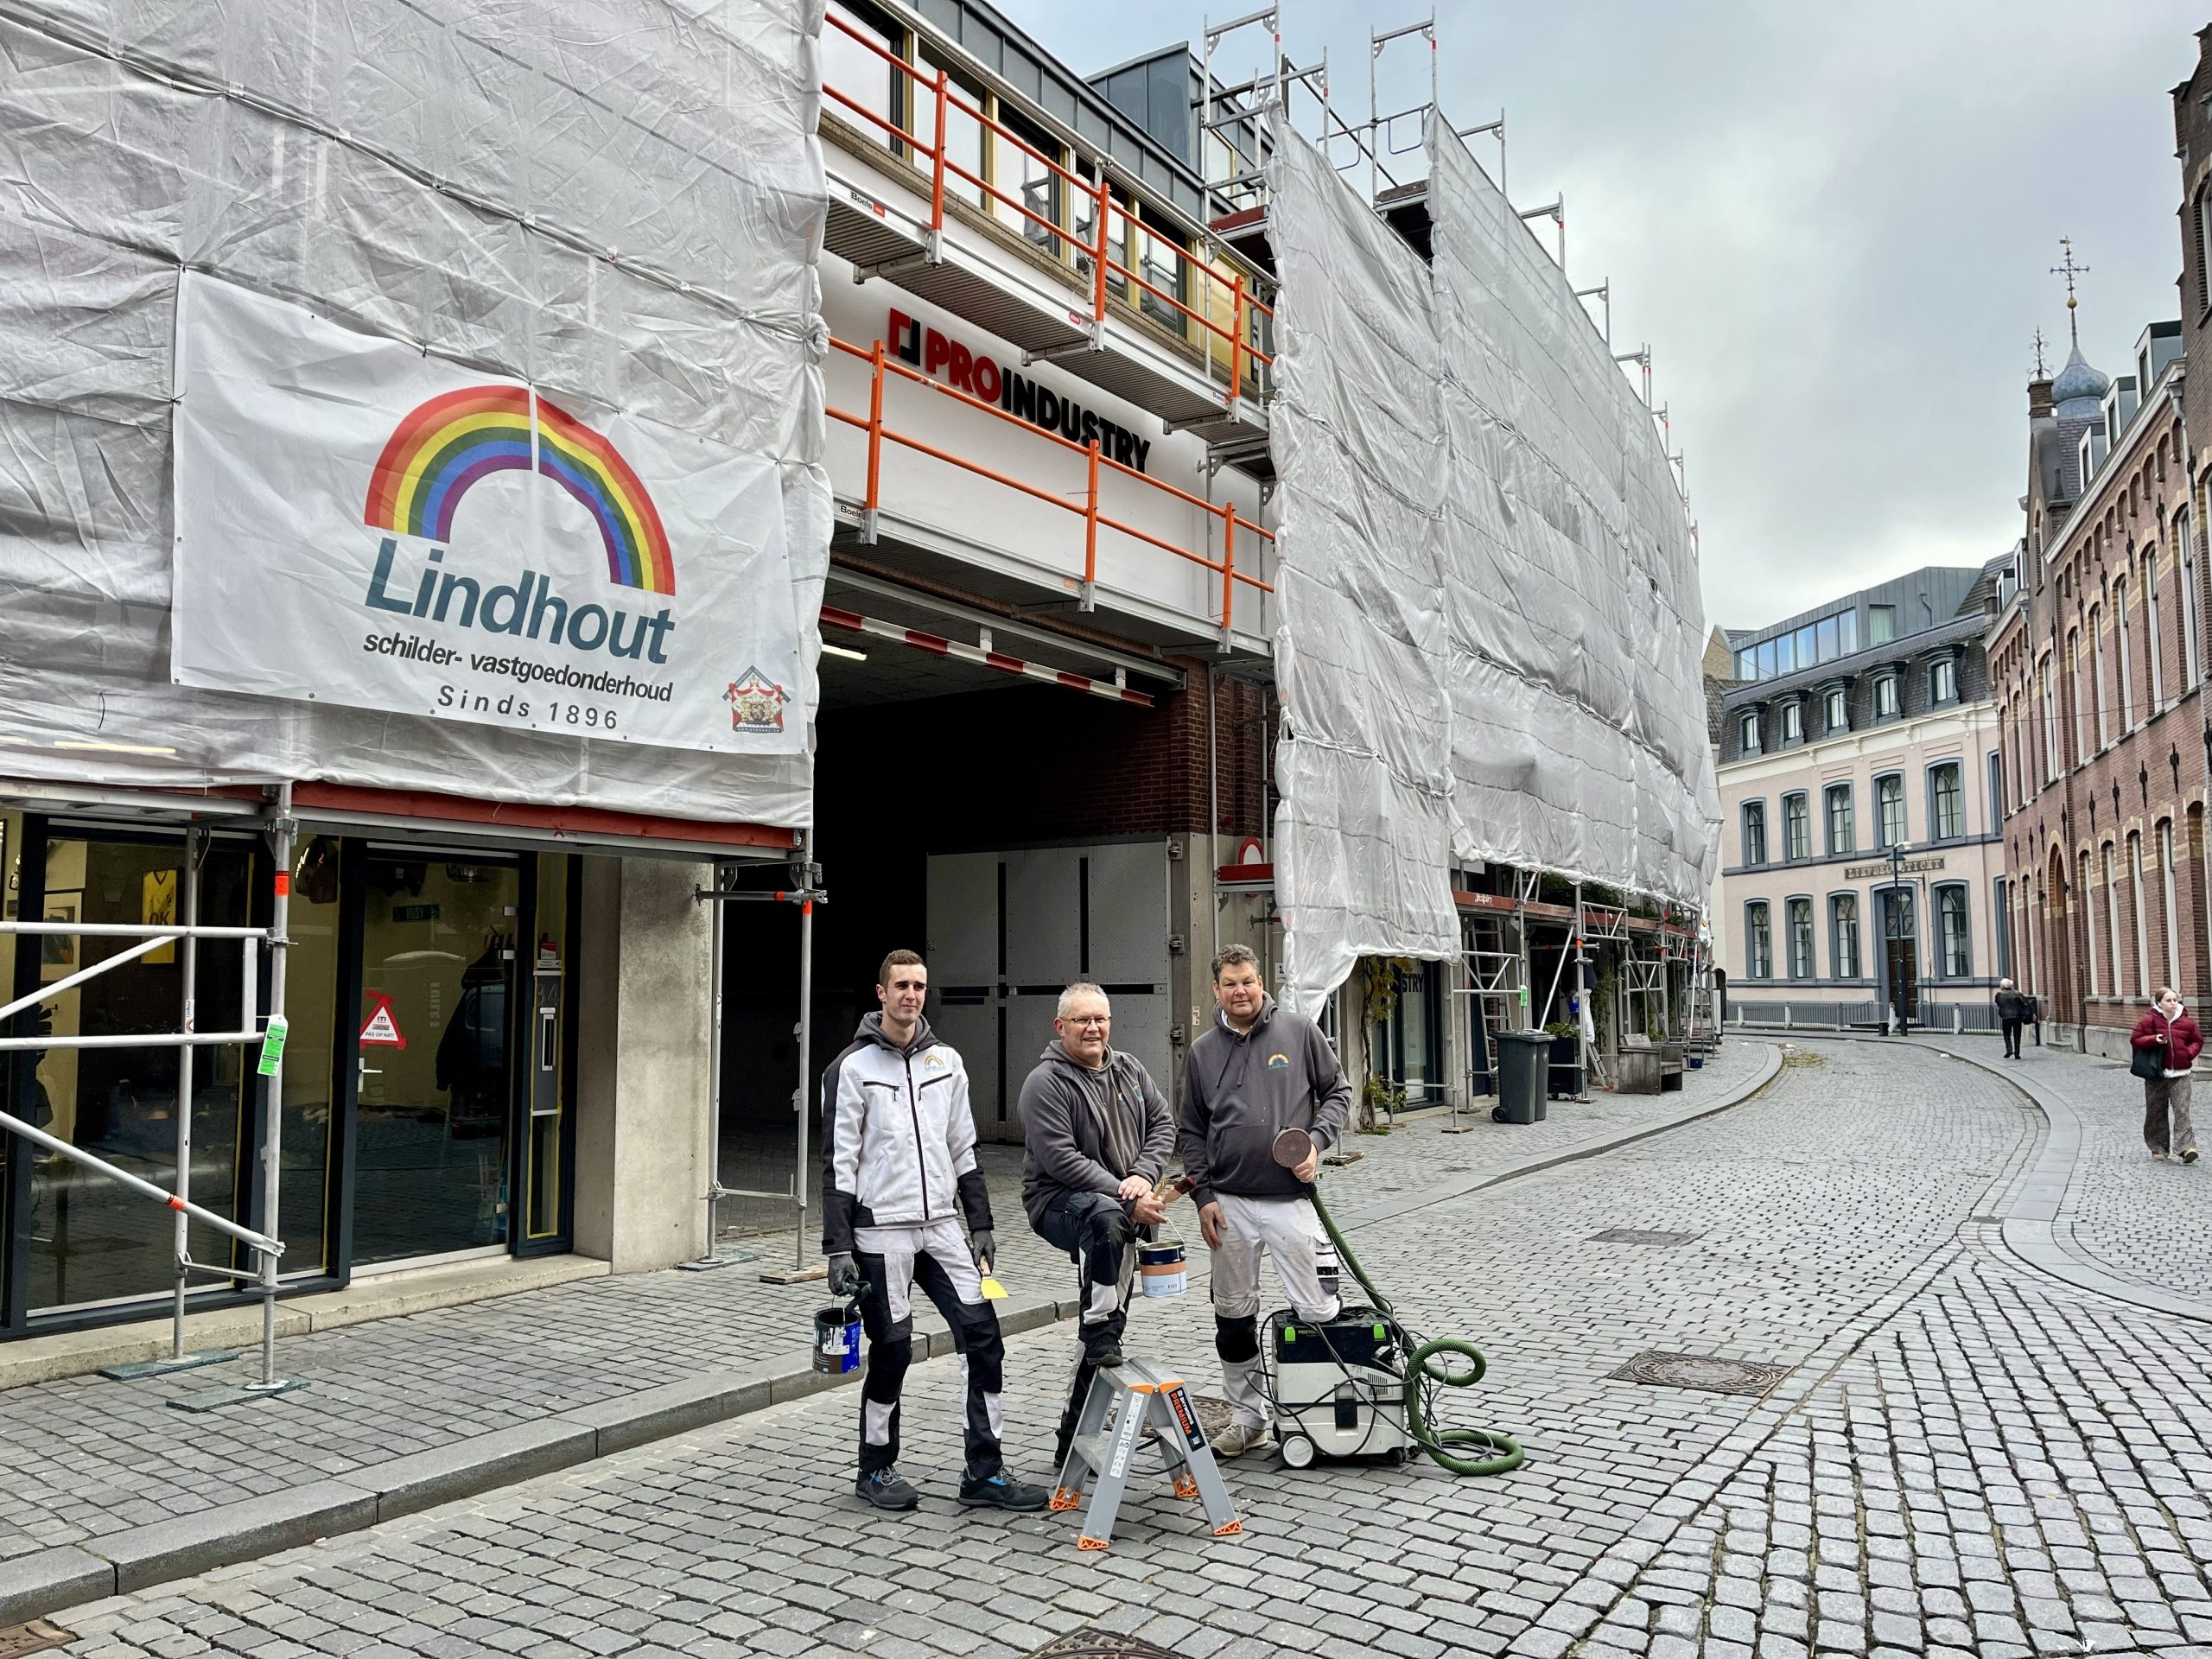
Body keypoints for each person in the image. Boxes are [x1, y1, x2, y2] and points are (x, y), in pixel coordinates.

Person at [820, 949, 1049, 1513]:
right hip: (881, 1233)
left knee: (985, 1340)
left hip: (943, 1227)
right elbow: (839, 1162)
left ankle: (985, 1474)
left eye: (919, 986)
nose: (911, 995)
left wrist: (982, 1223)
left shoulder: (946, 1061)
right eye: (900, 985)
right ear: (881, 993)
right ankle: (874, 1469)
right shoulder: (852, 1068)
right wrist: (838, 1246)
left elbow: (963, 1147)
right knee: (892, 1352)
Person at [1179, 944, 1351, 1459]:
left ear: (1262, 983)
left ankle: (1319, 1410)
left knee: (1317, 1308)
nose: (1240, 991)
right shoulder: (1202, 1051)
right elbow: (1190, 1129)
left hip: (1289, 1201)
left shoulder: (1298, 1032)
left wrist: (1317, 1143)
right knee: (1232, 1316)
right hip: (1228, 1204)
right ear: (1216, 990)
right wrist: (1203, 1196)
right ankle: (1247, 1417)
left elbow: (1338, 1093)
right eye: (1230, 983)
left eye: (1248, 981)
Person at [1018, 982, 1176, 1465]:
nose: (1093, 1028)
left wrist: (1141, 1178)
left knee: (1105, 1329)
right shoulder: (1045, 1083)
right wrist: (1126, 1196)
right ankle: (1100, 1330)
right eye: (1082, 1020)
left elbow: (1163, 1126)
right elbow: (1061, 1160)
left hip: (1120, 1206)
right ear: (1059, 1025)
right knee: (1107, 1229)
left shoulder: (1130, 1069)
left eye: (1100, 1019)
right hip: (1059, 1204)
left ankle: (1071, 1444)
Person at [2129, 986, 2202, 1165]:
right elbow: (2135, 1040)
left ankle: (2186, 1148)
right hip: (2157, 1074)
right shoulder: (2148, 1021)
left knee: (2182, 1111)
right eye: (2169, 1000)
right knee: (2156, 1112)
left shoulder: (2187, 1022)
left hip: (2181, 1073)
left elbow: (2197, 1040)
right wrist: (2154, 1039)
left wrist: (2188, 1053)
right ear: (2160, 1003)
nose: (2173, 1003)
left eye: (2175, 1000)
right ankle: (2159, 1148)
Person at [1993, 977, 2028, 1059]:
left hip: (2005, 1017)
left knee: (2006, 1034)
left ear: (2003, 986)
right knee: (2017, 1035)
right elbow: (2024, 1003)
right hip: (2017, 1017)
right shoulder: (2017, 993)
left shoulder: (1999, 995)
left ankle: (2009, 1049)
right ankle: (2017, 1053)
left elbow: (1998, 1003)